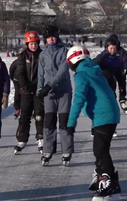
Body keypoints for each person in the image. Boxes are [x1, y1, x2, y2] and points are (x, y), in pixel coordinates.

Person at [65, 45, 121, 198]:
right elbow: (98, 98)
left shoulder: (82, 75)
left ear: (73, 61)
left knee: (100, 150)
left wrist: (71, 123)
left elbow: (79, 99)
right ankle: (101, 176)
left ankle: (109, 181)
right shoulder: (94, 72)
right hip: (107, 115)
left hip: (104, 116)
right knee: (100, 148)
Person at [37, 25, 74, 166]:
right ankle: (47, 151)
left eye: (53, 37)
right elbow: (40, 74)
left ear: (57, 37)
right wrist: (40, 90)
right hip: (48, 94)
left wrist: (48, 86)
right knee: (49, 122)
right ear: (45, 40)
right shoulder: (43, 54)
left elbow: (62, 72)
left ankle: (67, 151)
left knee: (64, 122)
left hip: (63, 91)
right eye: (48, 38)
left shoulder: (65, 51)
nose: (51, 39)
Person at [13, 31, 45, 155]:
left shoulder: (42, 55)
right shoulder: (22, 56)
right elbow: (19, 72)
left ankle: (40, 138)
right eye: (31, 44)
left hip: (37, 91)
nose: (33, 46)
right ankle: (22, 139)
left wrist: (35, 85)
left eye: (35, 44)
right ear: (27, 44)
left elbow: (43, 73)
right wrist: (25, 85)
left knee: (39, 115)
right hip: (25, 92)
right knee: (24, 116)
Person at [93, 37, 127, 136]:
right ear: (106, 47)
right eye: (111, 48)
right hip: (100, 86)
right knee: (100, 108)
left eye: (114, 48)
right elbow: (93, 64)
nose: (113, 50)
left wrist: (122, 88)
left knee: (112, 107)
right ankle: (95, 127)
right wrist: (102, 57)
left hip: (111, 86)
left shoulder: (116, 60)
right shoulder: (102, 57)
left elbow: (119, 76)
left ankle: (112, 128)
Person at [107, 34, 127, 111]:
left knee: (122, 85)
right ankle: (112, 100)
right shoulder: (107, 51)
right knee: (111, 86)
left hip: (120, 72)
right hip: (110, 73)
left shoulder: (121, 51)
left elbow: (126, 60)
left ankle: (122, 99)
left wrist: (126, 68)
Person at [9, 49, 23, 119]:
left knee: (25, 94)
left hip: (24, 81)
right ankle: (17, 108)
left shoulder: (27, 62)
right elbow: (11, 70)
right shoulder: (16, 62)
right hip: (16, 80)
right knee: (17, 93)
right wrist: (13, 78)